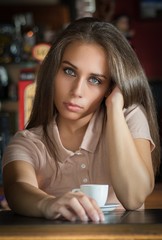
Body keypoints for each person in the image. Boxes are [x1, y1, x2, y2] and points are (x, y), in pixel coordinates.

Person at [2, 17, 160, 223]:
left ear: (110, 86)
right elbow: (17, 189)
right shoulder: (28, 142)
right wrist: (48, 204)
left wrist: (114, 106)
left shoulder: (127, 117)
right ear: (52, 72)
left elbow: (133, 197)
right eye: (69, 71)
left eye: (95, 80)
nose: (77, 91)